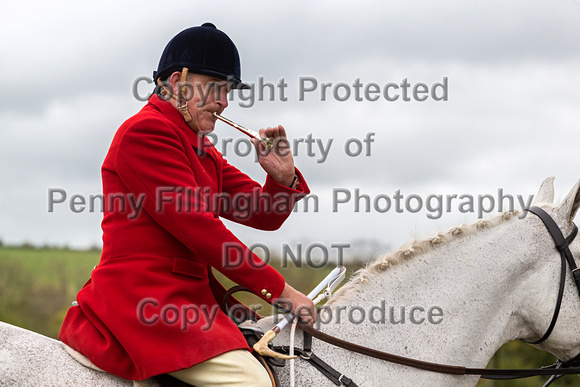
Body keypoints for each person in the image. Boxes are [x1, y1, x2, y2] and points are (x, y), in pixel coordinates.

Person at [58, 22, 315, 386]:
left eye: (228, 91)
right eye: (217, 88)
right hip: (146, 302)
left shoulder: (199, 147)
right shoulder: (145, 134)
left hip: (191, 302)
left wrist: (282, 179)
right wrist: (280, 290)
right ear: (178, 84)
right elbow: (200, 229)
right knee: (252, 383)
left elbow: (260, 213)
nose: (225, 101)